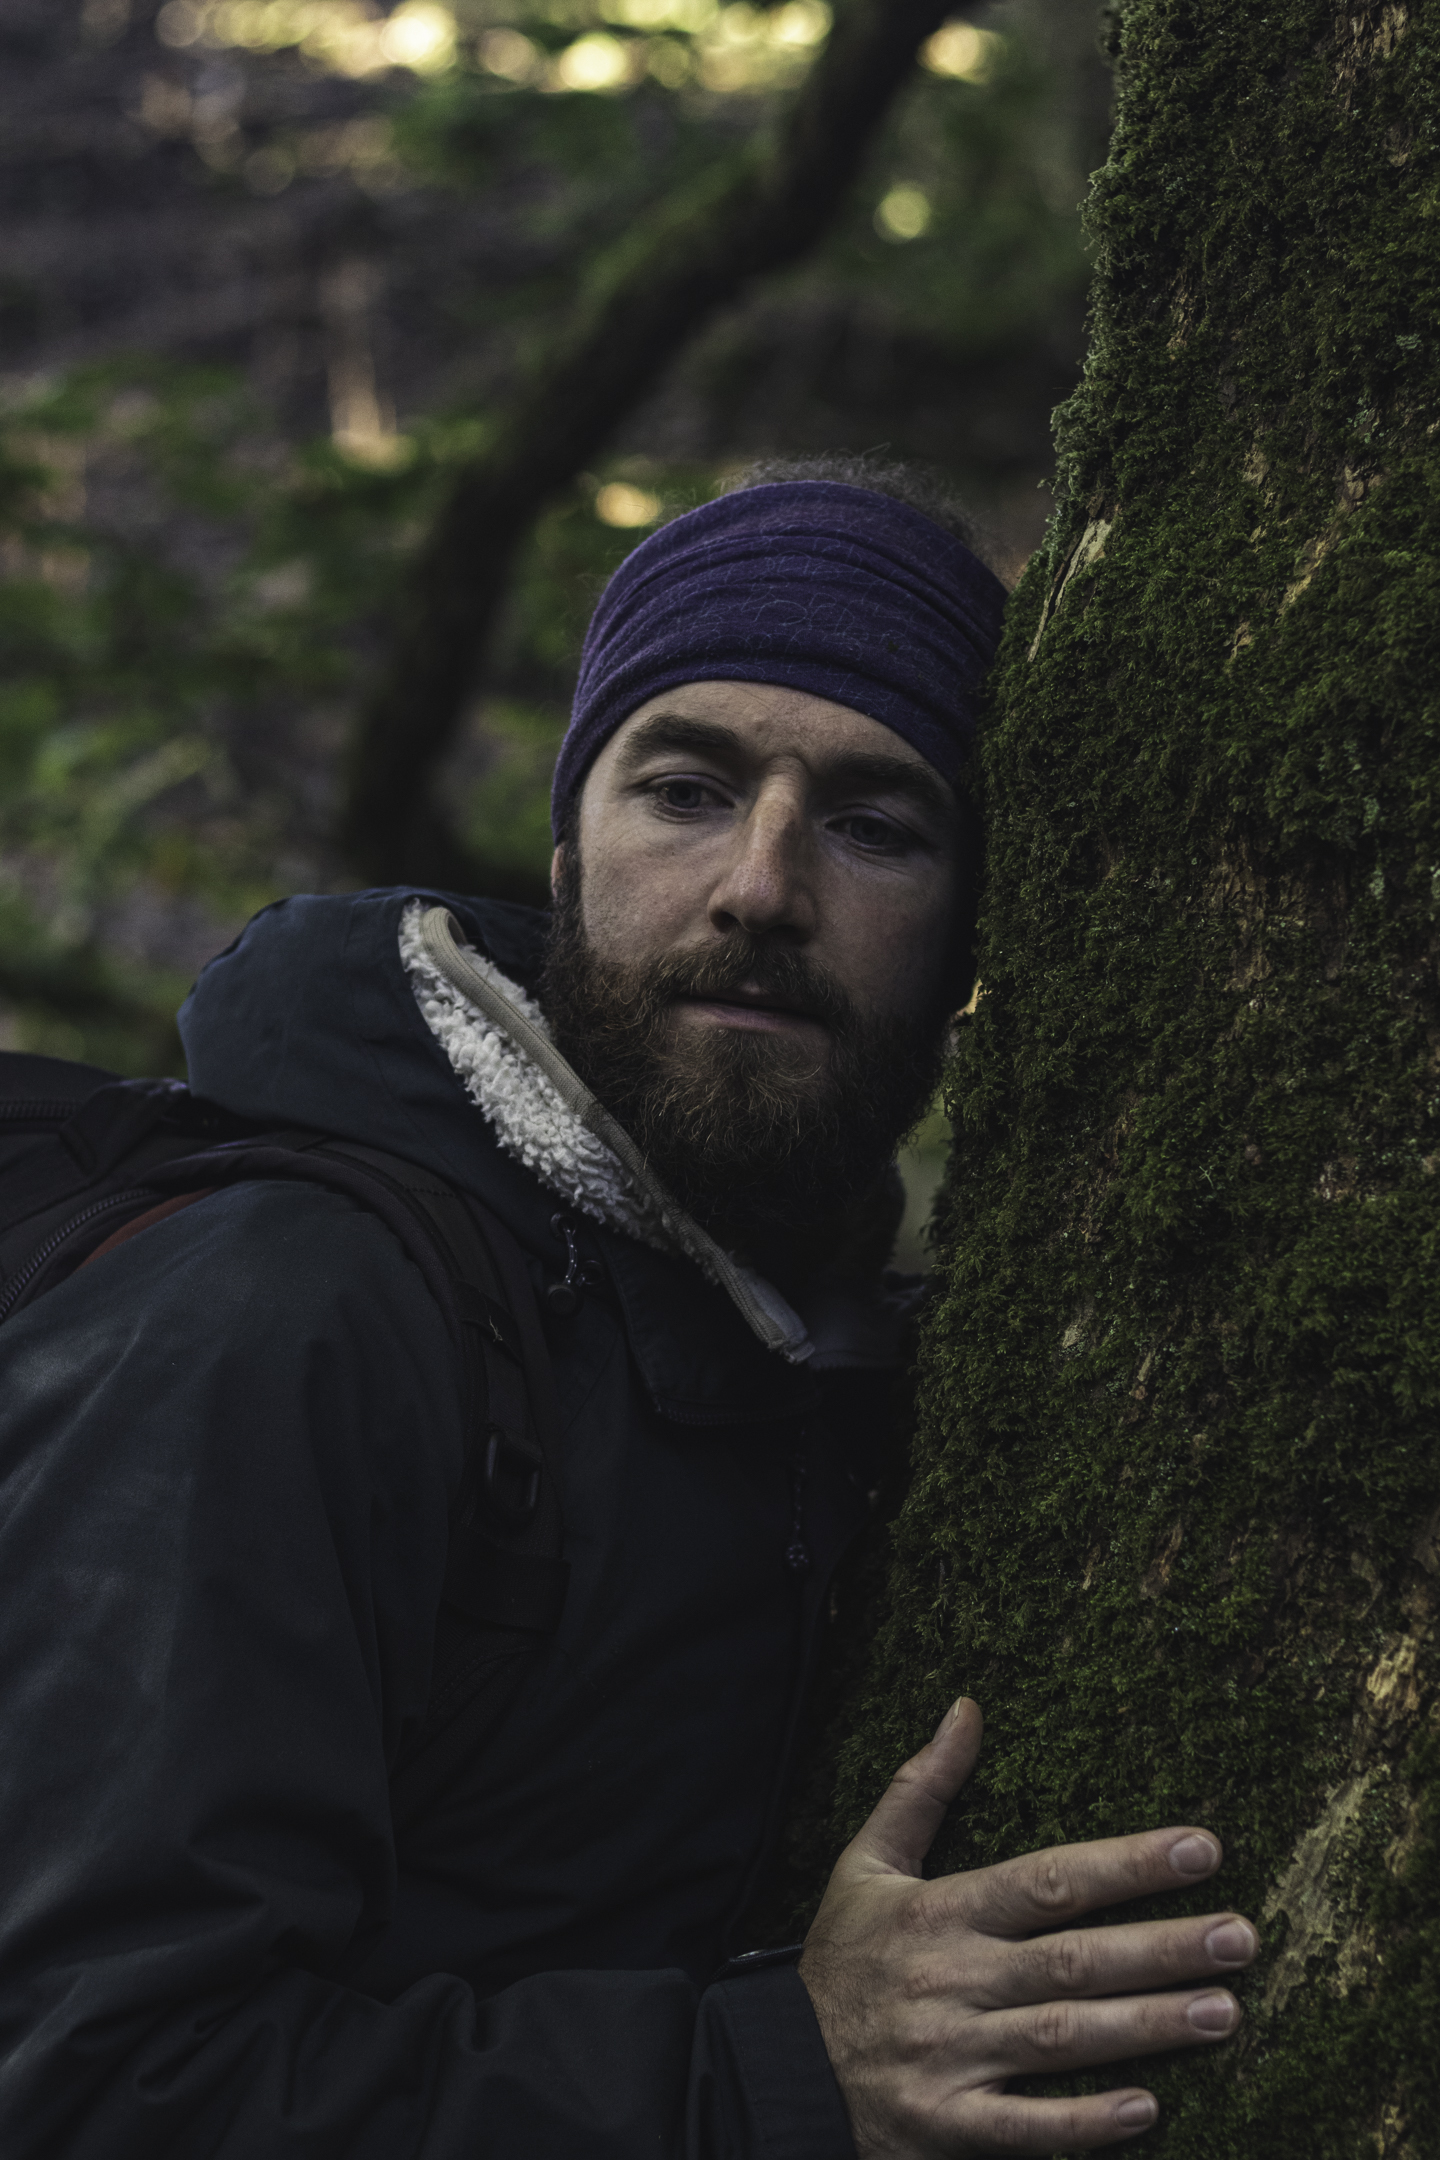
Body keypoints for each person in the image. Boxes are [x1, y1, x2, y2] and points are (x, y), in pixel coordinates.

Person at [0, 463, 1258, 2158]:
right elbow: (82, 2092)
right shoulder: (288, 1314)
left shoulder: (816, 1357)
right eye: (684, 790)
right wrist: (768, 2076)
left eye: (876, 825)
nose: (762, 886)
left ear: (979, 941)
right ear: (564, 857)